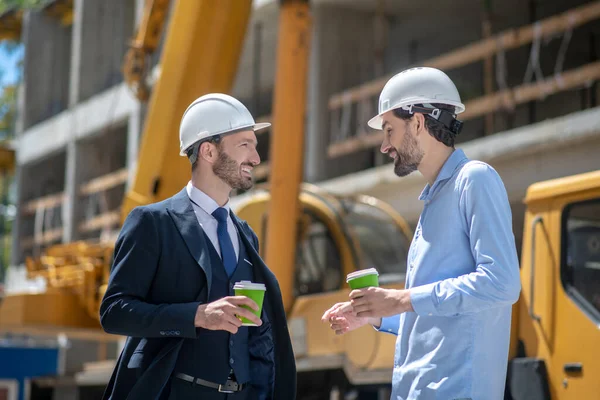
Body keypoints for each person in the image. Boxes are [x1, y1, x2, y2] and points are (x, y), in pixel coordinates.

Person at [322, 67, 521, 400]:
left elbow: (501, 283)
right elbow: (435, 320)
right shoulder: (434, 200)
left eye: (389, 130)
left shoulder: (475, 180)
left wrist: (401, 299)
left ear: (417, 122)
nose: (385, 146)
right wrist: (376, 313)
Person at [99, 93, 296, 400]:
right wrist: (199, 315)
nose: (256, 158)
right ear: (208, 151)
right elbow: (114, 312)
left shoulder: (245, 234)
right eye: (245, 144)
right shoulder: (152, 222)